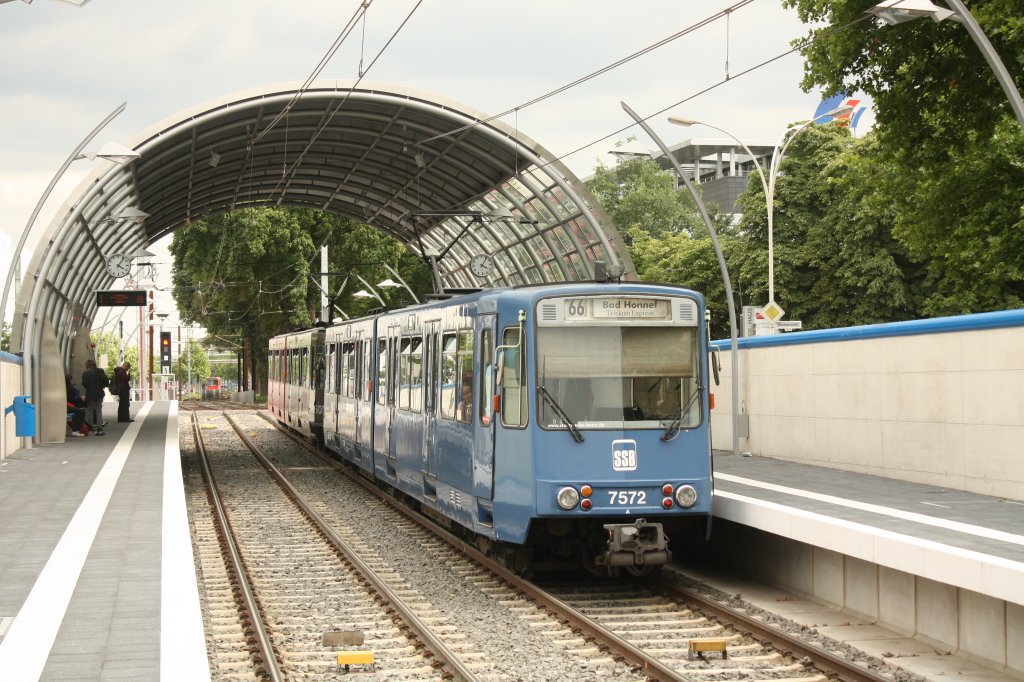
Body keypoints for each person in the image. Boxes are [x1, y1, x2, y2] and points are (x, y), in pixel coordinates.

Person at [82, 359, 109, 436]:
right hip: (99, 393)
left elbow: (84, 383)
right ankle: (99, 427)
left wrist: (89, 388)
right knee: (98, 410)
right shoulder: (100, 371)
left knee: (90, 410)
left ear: (87, 365)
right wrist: (102, 386)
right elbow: (105, 380)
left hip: (90, 394)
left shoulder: (85, 373)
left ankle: (91, 427)